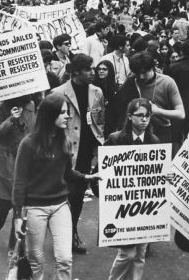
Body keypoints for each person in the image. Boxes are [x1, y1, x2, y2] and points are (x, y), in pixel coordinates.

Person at [11, 93, 100, 280]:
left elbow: (67, 173)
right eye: (62, 113)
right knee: (36, 258)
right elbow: (19, 182)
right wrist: (18, 215)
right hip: (34, 207)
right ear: (49, 115)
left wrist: (87, 176)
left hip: (60, 205)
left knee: (65, 258)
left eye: (66, 112)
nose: (67, 116)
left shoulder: (64, 141)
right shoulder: (28, 144)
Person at [51, 54, 106, 254]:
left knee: (78, 195)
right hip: (63, 152)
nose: (93, 73)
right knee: (61, 194)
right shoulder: (58, 93)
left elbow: (99, 120)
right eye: (89, 69)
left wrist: (99, 145)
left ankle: (71, 232)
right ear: (76, 72)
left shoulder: (97, 91)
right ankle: (61, 233)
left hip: (84, 151)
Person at [105, 98, 161, 280]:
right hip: (123, 208)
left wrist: (164, 177)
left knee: (140, 254)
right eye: (140, 115)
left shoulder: (153, 141)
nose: (145, 120)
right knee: (127, 254)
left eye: (148, 116)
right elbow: (102, 171)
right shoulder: (116, 139)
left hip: (144, 207)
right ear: (129, 117)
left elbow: (157, 172)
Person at [0, 93, 39, 247]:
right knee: (5, 203)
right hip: (7, 159)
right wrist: (11, 119)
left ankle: (15, 244)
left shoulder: (32, 105)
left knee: (21, 203)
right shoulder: (0, 107)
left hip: (27, 158)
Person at [115, 52, 184, 150]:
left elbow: (181, 114)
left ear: (153, 67)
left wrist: (158, 111)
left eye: (144, 73)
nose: (141, 77)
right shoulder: (131, 82)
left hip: (161, 132)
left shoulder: (167, 82)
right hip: (136, 132)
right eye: (138, 73)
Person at [93, 60, 119, 138]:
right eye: (99, 69)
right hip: (97, 119)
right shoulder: (93, 87)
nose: (101, 71)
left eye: (104, 69)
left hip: (110, 120)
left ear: (110, 71)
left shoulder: (115, 87)